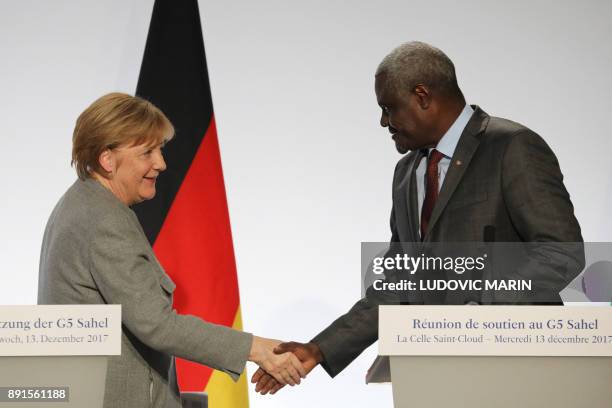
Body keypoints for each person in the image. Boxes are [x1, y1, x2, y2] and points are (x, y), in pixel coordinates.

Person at [251, 41, 585, 394]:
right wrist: (320, 349)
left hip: (517, 371)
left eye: (387, 108)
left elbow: (561, 252)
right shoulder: (406, 172)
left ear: (422, 95)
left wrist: (477, 312)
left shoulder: (511, 146)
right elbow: (401, 284)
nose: (383, 121)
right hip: (435, 375)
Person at [37, 93, 305, 408]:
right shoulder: (103, 220)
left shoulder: (84, 203)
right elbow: (156, 325)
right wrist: (255, 348)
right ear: (107, 159)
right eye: (147, 152)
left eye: (160, 149)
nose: (161, 164)